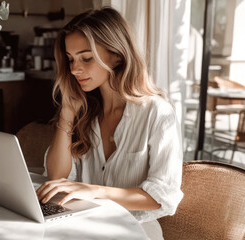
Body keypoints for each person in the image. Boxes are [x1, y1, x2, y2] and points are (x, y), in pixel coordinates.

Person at [36, 7, 183, 239]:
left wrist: (94, 191)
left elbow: (162, 197)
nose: (75, 69)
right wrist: (66, 112)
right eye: (71, 59)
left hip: (134, 232)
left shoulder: (157, 113)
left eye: (86, 58)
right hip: (81, 230)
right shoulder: (84, 111)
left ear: (117, 55)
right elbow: (57, 177)